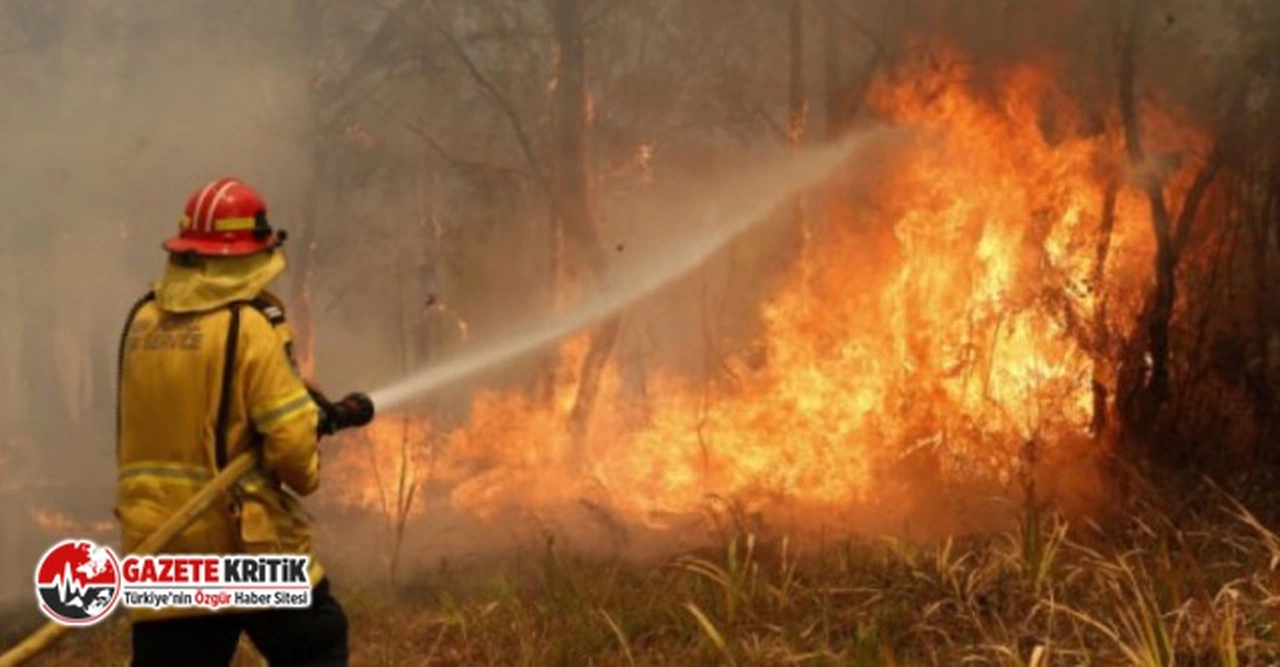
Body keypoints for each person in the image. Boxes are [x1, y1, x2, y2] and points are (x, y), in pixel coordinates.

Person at [114, 176, 374, 666]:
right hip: (241, 545)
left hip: (161, 544)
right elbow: (292, 447)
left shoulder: (143, 320)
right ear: (248, 254)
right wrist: (309, 458)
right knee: (317, 640)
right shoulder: (249, 325)